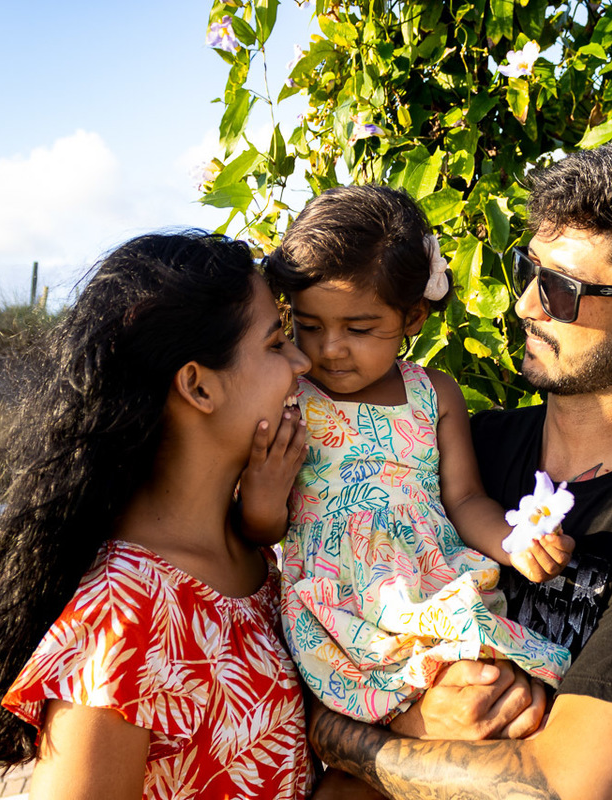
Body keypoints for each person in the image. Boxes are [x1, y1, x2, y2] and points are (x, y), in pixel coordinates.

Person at [305, 141, 612, 800]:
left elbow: (563, 788)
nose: (525, 304)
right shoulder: (455, 450)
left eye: (561, 289)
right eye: (530, 270)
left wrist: (351, 735)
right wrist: (409, 719)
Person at [0, 232, 316, 799]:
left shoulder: (253, 553)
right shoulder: (123, 612)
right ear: (198, 386)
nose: (303, 361)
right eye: (276, 343)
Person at [245, 184, 576, 726]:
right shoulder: (287, 395)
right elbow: (265, 530)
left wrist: (515, 542)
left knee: (507, 699)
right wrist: (261, 498)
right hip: (337, 603)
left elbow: (465, 499)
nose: (329, 348)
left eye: (359, 328)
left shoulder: (433, 394)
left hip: (430, 581)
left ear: (413, 317)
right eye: (308, 325)